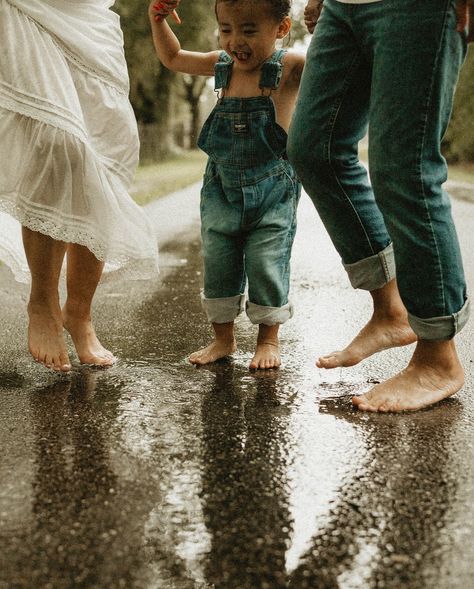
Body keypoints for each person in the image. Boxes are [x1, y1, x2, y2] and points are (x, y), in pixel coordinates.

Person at [287, 0, 473, 412]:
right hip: (344, 6)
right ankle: (391, 311)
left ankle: (437, 358)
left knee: (404, 168)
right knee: (315, 151)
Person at [0, 0, 159, 372]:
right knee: (57, 141)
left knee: (110, 154)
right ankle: (42, 302)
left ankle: (79, 312)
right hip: (27, 7)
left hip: (91, 17)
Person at [149, 0, 305, 369]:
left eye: (249, 30)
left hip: (273, 190)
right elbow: (173, 57)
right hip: (221, 188)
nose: (236, 41)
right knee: (218, 262)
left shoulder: (290, 67)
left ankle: (268, 341)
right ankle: (223, 339)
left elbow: (340, 62)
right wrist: (157, 20)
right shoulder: (222, 65)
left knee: (268, 262)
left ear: (281, 29)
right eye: (227, 29)